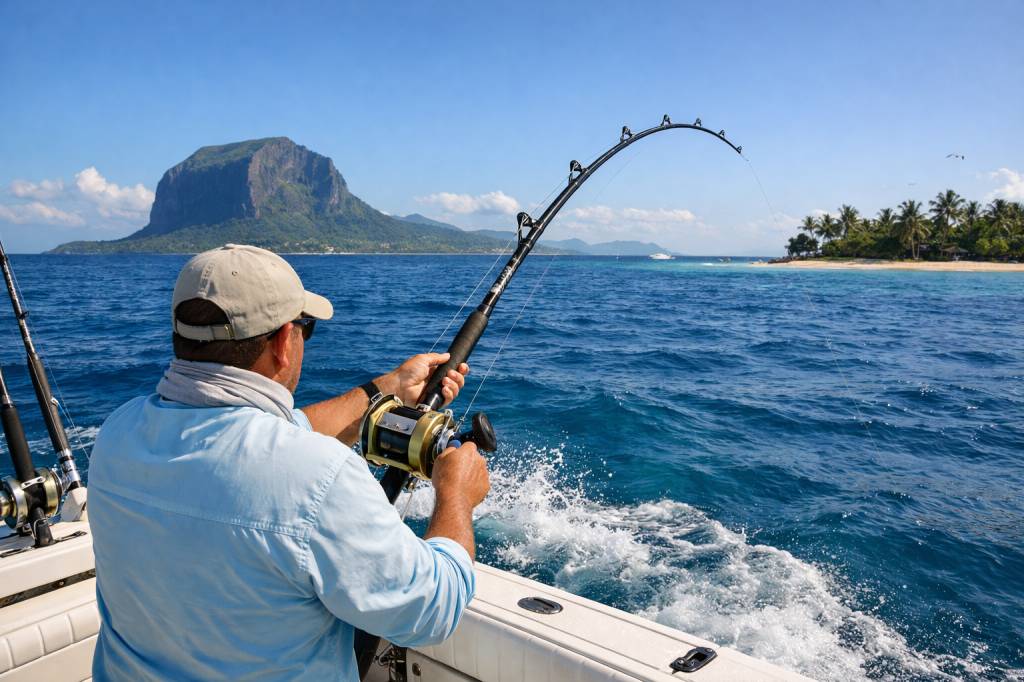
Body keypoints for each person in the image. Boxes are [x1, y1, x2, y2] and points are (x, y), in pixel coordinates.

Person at [88, 244, 490, 681]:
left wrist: (387, 388)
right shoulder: (319, 475)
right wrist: (456, 494)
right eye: (305, 327)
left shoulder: (118, 433)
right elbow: (431, 609)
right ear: (284, 342)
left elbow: (272, 436)